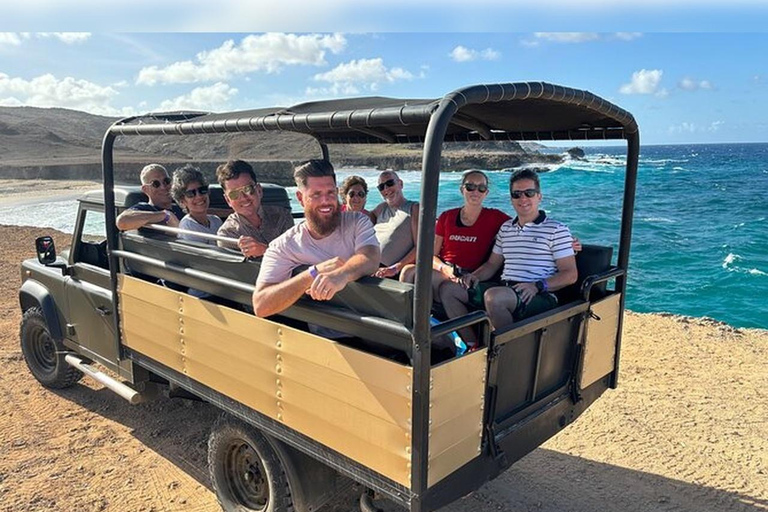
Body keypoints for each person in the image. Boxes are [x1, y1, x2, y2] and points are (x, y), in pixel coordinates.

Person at [445, 169, 577, 340]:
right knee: (449, 290)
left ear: (539, 197)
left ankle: (509, 352)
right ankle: (473, 344)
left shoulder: (556, 230)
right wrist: (473, 276)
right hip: (506, 289)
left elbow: (570, 274)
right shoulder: (506, 228)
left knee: (494, 297)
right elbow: (492, 265)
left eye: (529, 193)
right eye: (517, 194)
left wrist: (537, 285)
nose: (523, 199)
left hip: (539, 294)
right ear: (511, 199)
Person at [252, 159, 380, 319]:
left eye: (330, 193)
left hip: (374, 325)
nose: (325, 201)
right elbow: (261, 305)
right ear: (300, 198)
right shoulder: (285, 246)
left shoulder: (357, 222)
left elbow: (371, 257)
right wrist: (313, 273)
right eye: (316, 195)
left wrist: (342, 274)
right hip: (329, 336)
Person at [215, 159, 293, 259]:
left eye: (248, 189)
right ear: (228, 200)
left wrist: (265, 250)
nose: (243, 198)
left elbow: (296, 255)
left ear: (259, 190)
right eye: (234, 194)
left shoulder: (282, 216)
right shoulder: (227, 234)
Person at [370, 171, 419, 279]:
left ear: (400, 184)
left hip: (387, 271)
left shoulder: (413, 208)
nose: (386, 189)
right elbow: (361, 223)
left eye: (390, 183)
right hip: (367, 265)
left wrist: (396, 268)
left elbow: (420, 246)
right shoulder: (381, 208)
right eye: (381, 187)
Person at [116, 164, 185, 231]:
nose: (163, 187)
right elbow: (122, 222)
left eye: (166, 181)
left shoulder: (181, 208)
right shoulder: (144, 209)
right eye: (155, 184)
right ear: (145, 189)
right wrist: (166, 216)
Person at [171, 164, 223, 245]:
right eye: (191, 193)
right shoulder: (188, 226)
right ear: (182, 201)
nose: (199, 196)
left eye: (202, 190)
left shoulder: (216, 221)